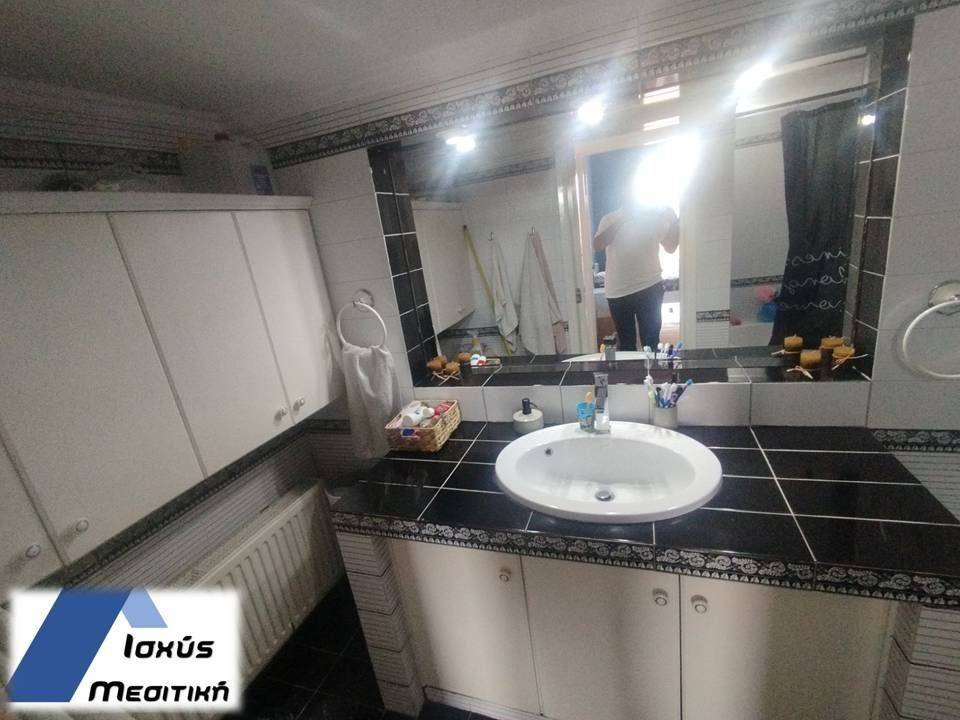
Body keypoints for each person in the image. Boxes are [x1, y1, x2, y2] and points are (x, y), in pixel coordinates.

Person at [593, 203, 679, 351]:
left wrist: (673, 221)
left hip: (649, 288)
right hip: (618, 292)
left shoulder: (653, 218)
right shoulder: (610, 219)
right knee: (626, 345)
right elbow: (597, 245)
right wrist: (622, 220)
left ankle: (651, 366)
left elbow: (671, 247)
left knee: (651, 343)